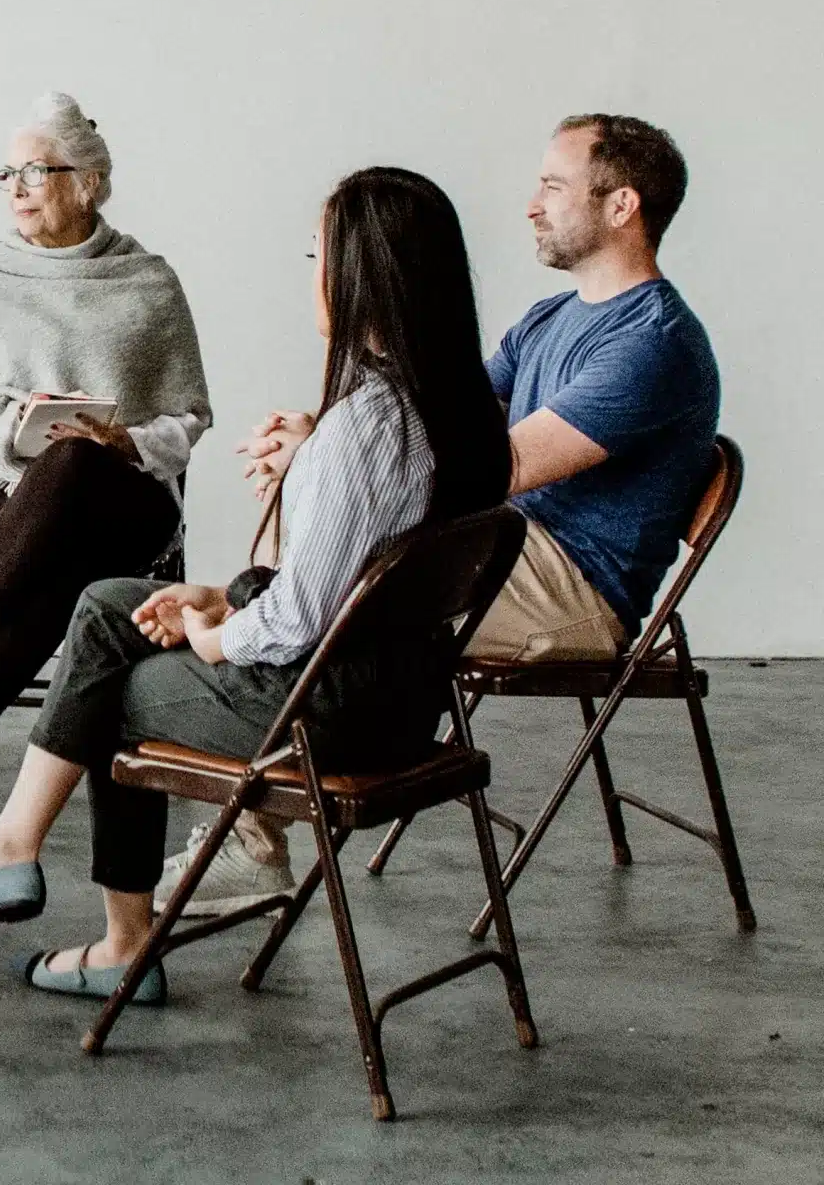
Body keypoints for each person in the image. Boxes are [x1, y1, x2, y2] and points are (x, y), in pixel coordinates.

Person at [0, 166, 511, 1007]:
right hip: (397, 696)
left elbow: (300, 622)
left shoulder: (362, 427)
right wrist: (221, 595)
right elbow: (346, 586)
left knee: (110, 687)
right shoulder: (453, 413)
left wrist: (218, 634)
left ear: (366, 272)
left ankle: (105, 933)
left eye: (320, 253)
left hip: (329, 714)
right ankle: (14, 855)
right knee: (107, 603)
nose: (311, 272)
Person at [174, 114, 721, 913]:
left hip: (569, 590)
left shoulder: (653, 343)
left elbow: (491, 468)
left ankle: (259, 828)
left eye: (553, 187)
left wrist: (327, 457)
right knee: (310, 565)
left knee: (325, 589)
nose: (532, 205)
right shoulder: (548, 318)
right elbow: (437, 417)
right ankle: (268, 810)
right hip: (503, 546)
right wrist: (324, 444)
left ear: (621, 206)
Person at [0, 94, 212, 862]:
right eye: (9, 173)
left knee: (76, 462)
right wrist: (11, 427)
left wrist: (119, 440)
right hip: (5, 495)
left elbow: (190, 418)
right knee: (66, 569)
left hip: (127, 500)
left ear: (88, 182)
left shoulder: (148, 281)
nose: (18, 187)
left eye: (37, 170)